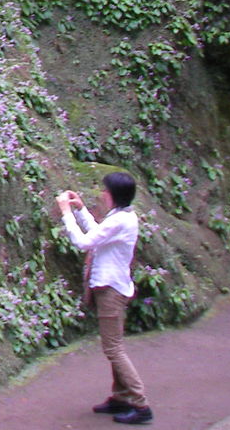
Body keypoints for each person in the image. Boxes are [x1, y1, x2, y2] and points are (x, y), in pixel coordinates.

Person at [56, 172, 152, 425]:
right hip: (112, 287)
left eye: (105, 190)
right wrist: (80, 210)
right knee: (115, 346)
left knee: (113, 348)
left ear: (114, 195)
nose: (102, 193)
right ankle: (121, 397)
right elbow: (99, 233)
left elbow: (84, 242)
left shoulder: (121, 220)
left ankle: (141, 405)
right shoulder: (121, 217)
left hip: (111, 290)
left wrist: (66, 212)